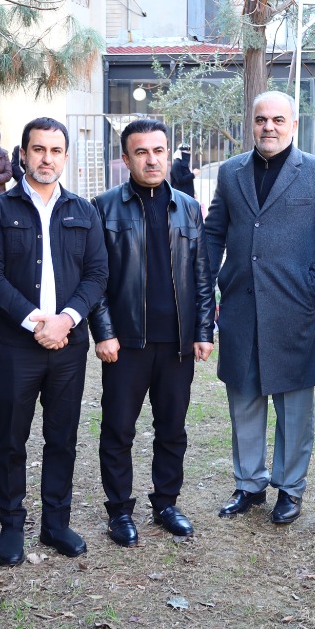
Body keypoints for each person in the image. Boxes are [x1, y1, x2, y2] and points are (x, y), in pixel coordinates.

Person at [203, 91, 315, 525]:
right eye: (260, 120)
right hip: (240, 307)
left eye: (277, 120)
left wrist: (313, 286)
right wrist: (211, 285)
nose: (268, 127)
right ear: (251, 123)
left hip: (294, 309)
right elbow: (213, 233)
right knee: (244, 400)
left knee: (294, 408)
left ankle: (290, 488)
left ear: (293, 125)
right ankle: (249, 484)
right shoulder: (231, 172)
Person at [0, 117, 108, 565]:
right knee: (12, 437)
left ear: (65, 157)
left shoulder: (84, 212)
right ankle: (11, 525)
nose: (46, 158)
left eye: (55, 151)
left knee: (62, 436)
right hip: (18, 345)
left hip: (68, 345)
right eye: (38, 149)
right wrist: (36, 322)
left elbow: (97, 275)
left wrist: (66, 321)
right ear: (23, 154)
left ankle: (56, 523)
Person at [90, 119, 214, 547]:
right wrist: (104, 332)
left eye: (158, 150)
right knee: (118, 429)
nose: (151, 160)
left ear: (168, 154)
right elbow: (96, 278)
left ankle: (166, 503)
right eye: (141, 152)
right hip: (126, 343)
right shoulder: (104, 207)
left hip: (177, 342)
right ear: (126, 159)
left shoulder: (188, 207)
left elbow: (202, 274)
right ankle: (119, 511)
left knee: (172, 429)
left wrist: (203, 329)